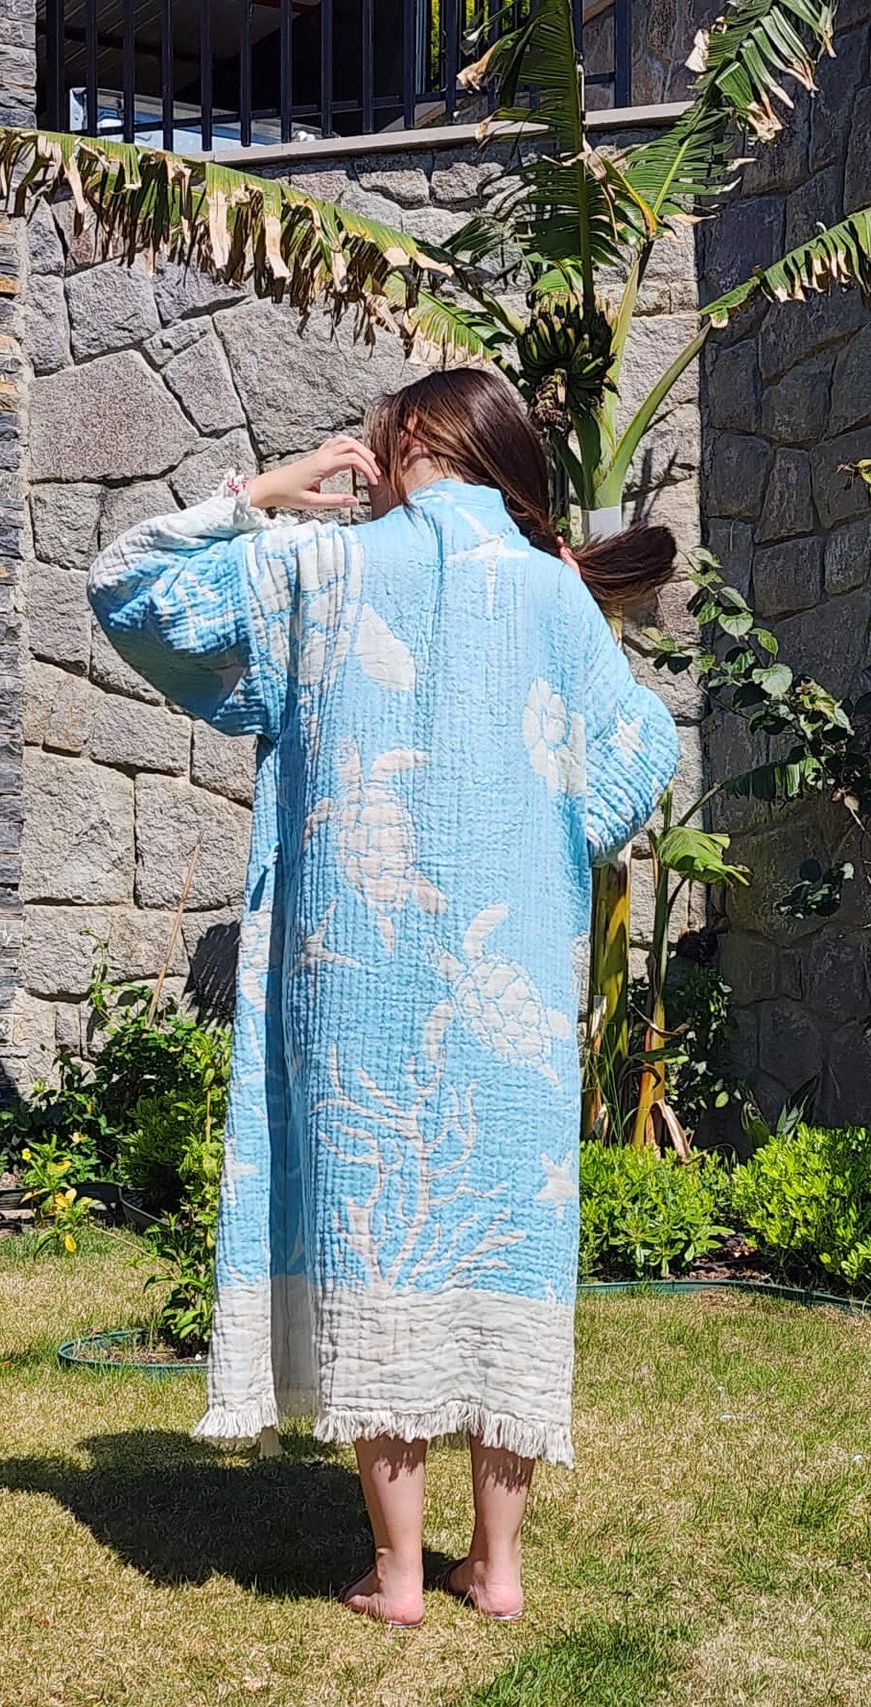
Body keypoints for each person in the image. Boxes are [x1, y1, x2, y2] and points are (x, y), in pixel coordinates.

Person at [87, 367, 679, 1627]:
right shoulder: (553, 593)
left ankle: (399, 1574)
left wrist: (259, 492)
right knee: (503, 1246)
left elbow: (129, 590)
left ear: (410, 438)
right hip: (505, 973)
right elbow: (639, 750)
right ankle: (500, 1569)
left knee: (376, 1240)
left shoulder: (313, 569)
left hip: (350, 979)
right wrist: (545, 825)